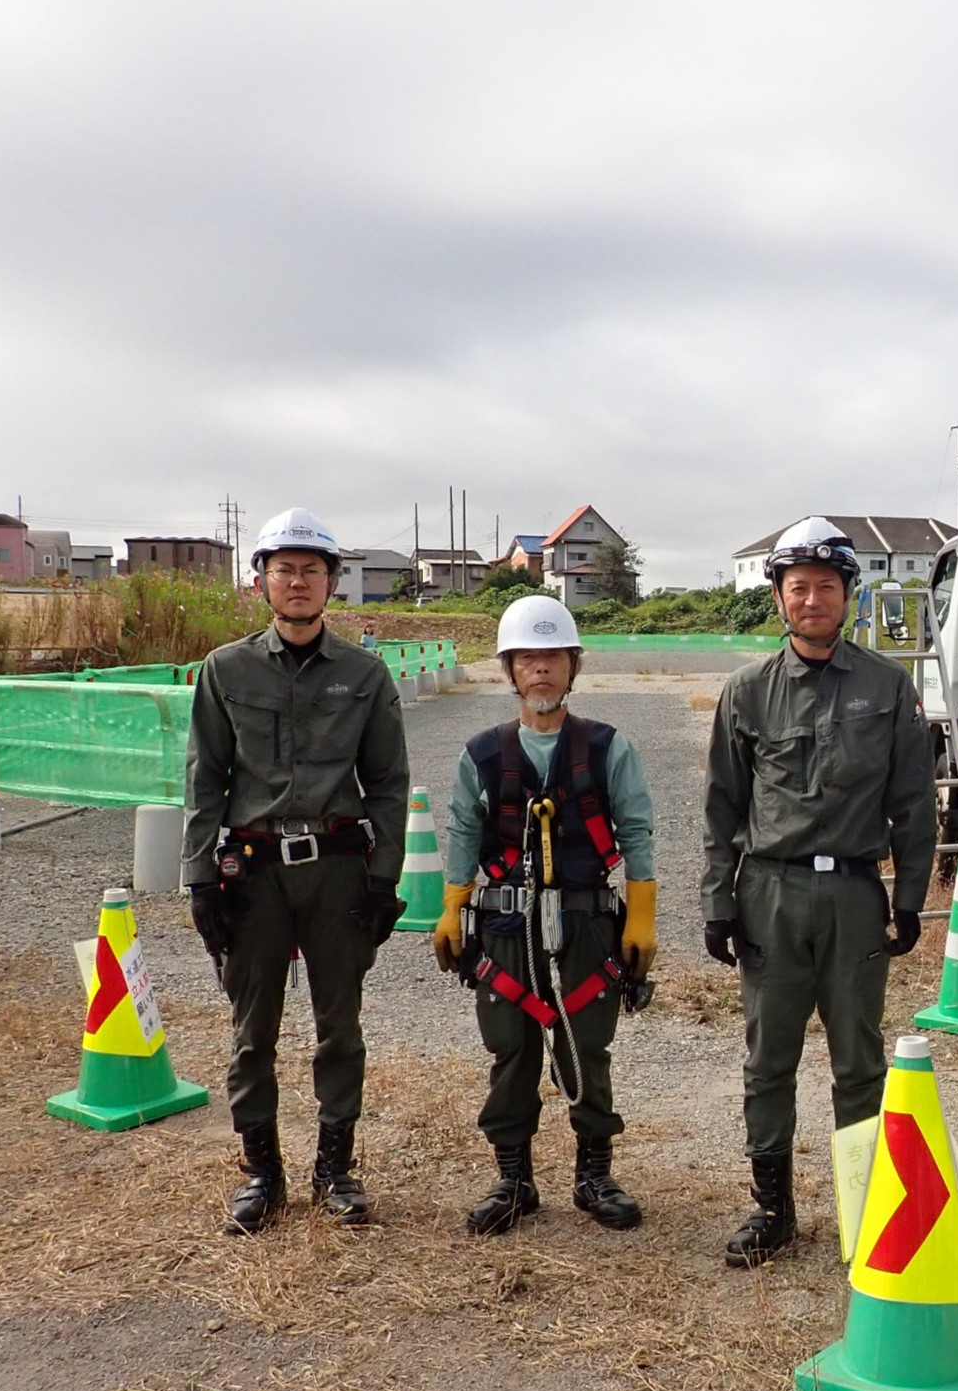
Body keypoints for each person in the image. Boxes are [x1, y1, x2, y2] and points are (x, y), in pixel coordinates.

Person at [701, 518, 937, 1266]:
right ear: (778, 598)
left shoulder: (886, 687)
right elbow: (721, 807)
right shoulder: (746, 692)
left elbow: (915, 802)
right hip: (770, 891)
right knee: (768, 1058)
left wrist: (908, 898)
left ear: (847, 596)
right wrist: (717, 901)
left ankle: (863, 1208)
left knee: (859, 1062)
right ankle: (771, 1209)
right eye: (796, 588)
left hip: (856, 897)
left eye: (825, 587)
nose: (811, 600)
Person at [183, 508, 410, 1236]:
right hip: (253, 872)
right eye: (284, 569)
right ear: (261, 582)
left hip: (339, 868)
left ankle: (336, 1170)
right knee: (253, 1031)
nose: (299, 581)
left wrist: (383, 879)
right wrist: (197, 878)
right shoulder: (226, 670)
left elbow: (390, 784)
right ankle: (262, 1176)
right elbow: (203, 780)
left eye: (313, 570)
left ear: (333, 583)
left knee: (339, 1028)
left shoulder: (365, 676)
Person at [434, 594, 659, 1235]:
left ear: (572, 666)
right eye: (528, 658)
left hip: (588, 922)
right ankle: (513, 1178)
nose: (541, 670)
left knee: (588, 1047)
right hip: (505, 927)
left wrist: (641, 917)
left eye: (552, 657)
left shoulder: (607, 749)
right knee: (510, 1050)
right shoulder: (481, 754)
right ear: (510, 670)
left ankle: (594, 1175)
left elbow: (638, 832)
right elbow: (460, 832)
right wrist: (452, 909)